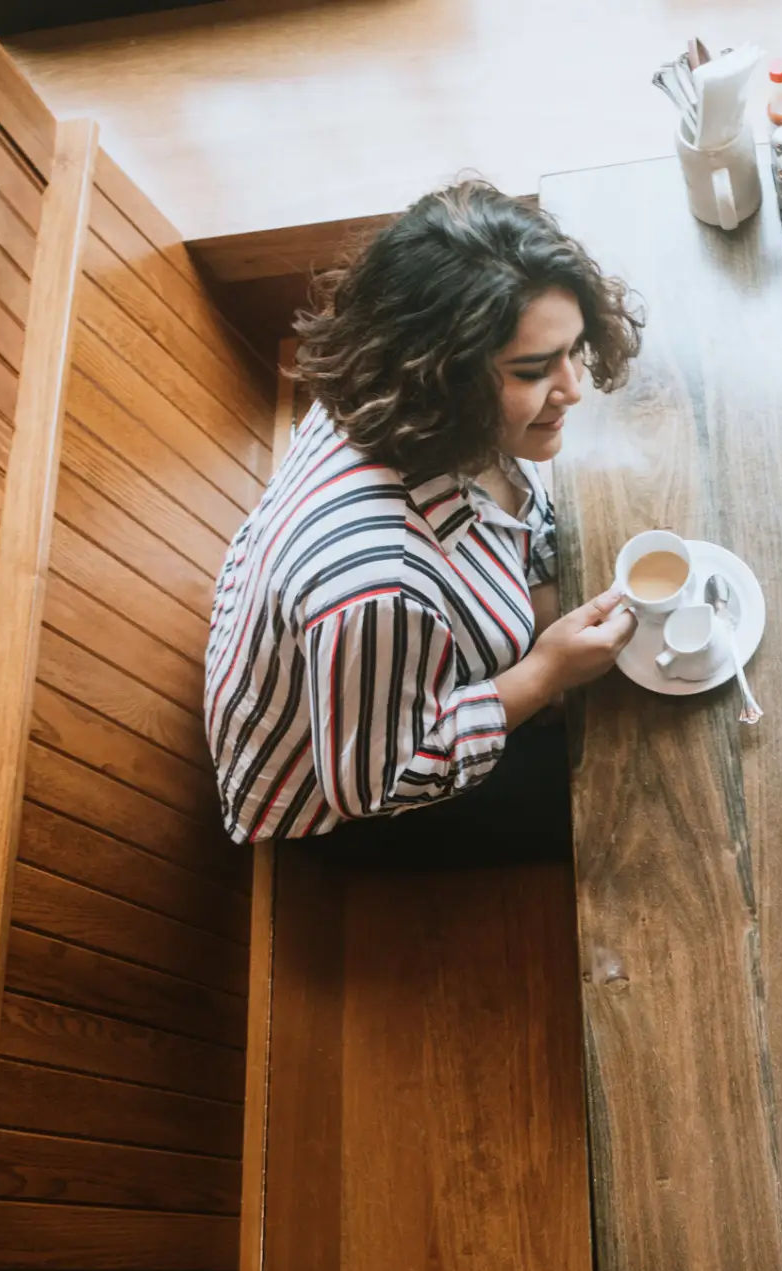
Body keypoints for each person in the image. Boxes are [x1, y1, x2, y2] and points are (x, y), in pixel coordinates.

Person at [205, 181, 644, 866]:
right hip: (351, 798)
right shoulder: (380, 586)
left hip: (365, 672)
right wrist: (544, 673)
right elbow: (378, 782)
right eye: (534, 369)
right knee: (634, 794)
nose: (573, 388)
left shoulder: (395, 393)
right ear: (445, 373)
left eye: (574, 349)